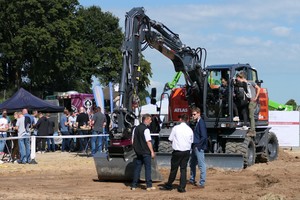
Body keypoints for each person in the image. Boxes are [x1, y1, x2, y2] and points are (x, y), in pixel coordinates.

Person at [159, 114, 193, 193]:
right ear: (187, 120)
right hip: (186, 151)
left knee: (174, 169)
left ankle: (169, 185)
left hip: (177, 151)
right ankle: (182, 187)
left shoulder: (176, 128)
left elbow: (170, 138)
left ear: (180, 119)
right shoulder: (190, 129)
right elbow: (191, 141)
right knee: (183, 169)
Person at [131, 113, 156, 191]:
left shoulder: (135, 129)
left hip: (138, 152)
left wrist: (136, 148)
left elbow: (132, 141)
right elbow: (148, 141)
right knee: (147, 168)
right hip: (145, 152)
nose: (151, 121)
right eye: (150, 120)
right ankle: (149, 185)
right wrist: (152, 151)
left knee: (137, 168)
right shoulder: (146, 129)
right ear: (146, 119)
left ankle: (134, 185)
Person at [189, 107, 207, 189]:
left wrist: (198, 146)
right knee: (192, 163)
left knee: (201, 164)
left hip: (198, 147)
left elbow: (204, 136)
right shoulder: (197, 122)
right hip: (195, 146)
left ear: (199, 113)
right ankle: (192, 179)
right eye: (192, 114)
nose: (193, 116)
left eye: (194, 114)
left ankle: (202, 182)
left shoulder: (201, 123)